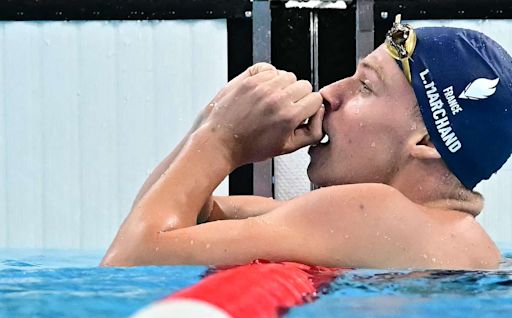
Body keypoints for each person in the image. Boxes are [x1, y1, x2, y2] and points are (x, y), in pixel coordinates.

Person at [101, 18, 512, 269]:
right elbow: (183, 217)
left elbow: (127, 263)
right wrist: (212, 123)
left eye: (365, 87)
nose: (329, 94)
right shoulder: (442, 235)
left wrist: (222, 141)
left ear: (425, 141)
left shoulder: (377, 213)